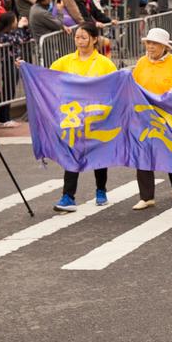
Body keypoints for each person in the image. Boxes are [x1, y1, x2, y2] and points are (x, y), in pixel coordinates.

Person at [51, 24, 116, 212]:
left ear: (94, 39)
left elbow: (114, 86)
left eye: (83, 37)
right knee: (71, 155)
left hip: (97, 117)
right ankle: (68, 196)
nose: (79, 41)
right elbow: (46, 77)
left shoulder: (105, 63)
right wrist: (25, 68)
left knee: (98, 155)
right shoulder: (66, 61)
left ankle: (101, 190)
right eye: (77, 37)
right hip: (73, 118)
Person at [131, 27, 172, 210]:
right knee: (143, 154)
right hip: (146, 118)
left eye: (155, 43)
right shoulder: (141, 63)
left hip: (168, 117)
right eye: (148, 43)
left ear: (165, 47)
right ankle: (147, 196)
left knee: (170, 152)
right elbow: (134, 87)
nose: (150, 47)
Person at [0, 12, 29, 127]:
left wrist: (26, 27)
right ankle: (3, 119)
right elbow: (17, 40)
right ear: (9, 22)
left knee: (10, 90)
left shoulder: (12, 33)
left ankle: (6, 118)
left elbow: (27, 38)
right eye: (15, 20)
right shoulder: (2, 35)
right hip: (8, 65)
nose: (17, 22)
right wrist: (19, 28)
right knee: (7, 91)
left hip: (15, 63)